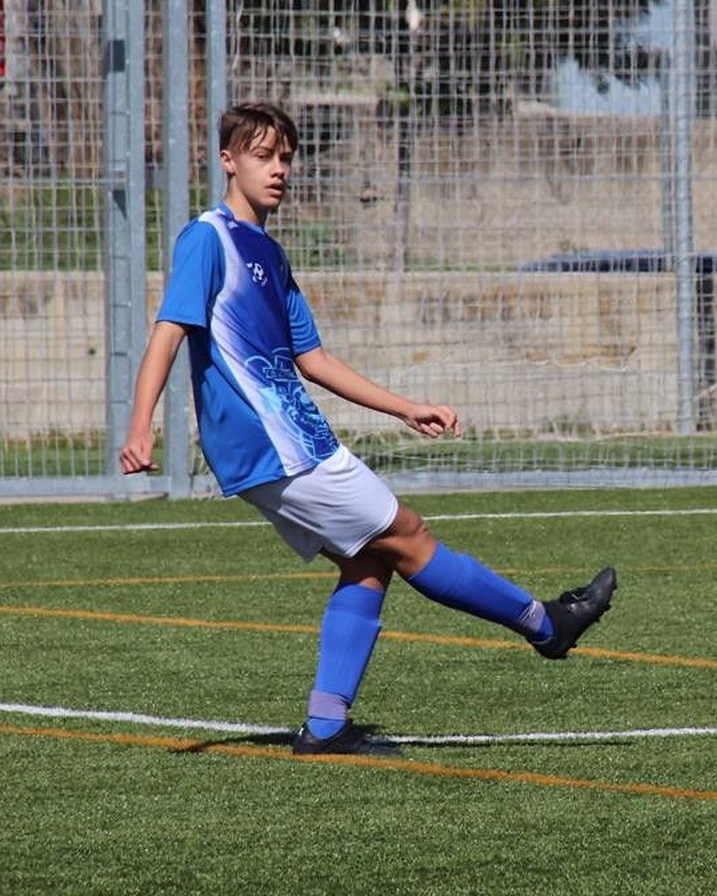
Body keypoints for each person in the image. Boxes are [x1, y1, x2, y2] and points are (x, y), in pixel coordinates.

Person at [120, 102, 616, 756]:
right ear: (228, 160)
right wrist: (140, 425)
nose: (278, 170)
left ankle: (326, 725)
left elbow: (313, 358)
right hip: (273, 441)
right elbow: (168, 330)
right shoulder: (207, 239)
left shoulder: (269, 251)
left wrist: (403, 406)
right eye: (263, 155)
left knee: (368, 560)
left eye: (286, 157)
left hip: (292, 438)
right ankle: (545, 622)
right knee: (406, 533)